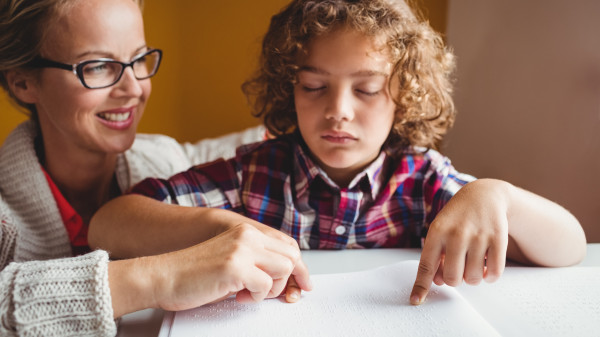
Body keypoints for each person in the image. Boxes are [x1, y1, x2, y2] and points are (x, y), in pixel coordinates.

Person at [89, 0, 587, 309]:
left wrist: (493, 195)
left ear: (404, 95)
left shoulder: (423, 180)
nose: (338, 111)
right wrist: (228, 228)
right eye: (314, 86)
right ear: (290, 89)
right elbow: (109, 223)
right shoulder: (253, 173)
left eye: (367, 89)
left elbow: (571, 248)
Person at [0, 0, 311, 335]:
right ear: (22, 83)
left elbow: (235, 150)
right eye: (98, 66)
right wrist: (166, 275)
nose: (133, 88)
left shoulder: (162, 160)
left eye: (139, 59)